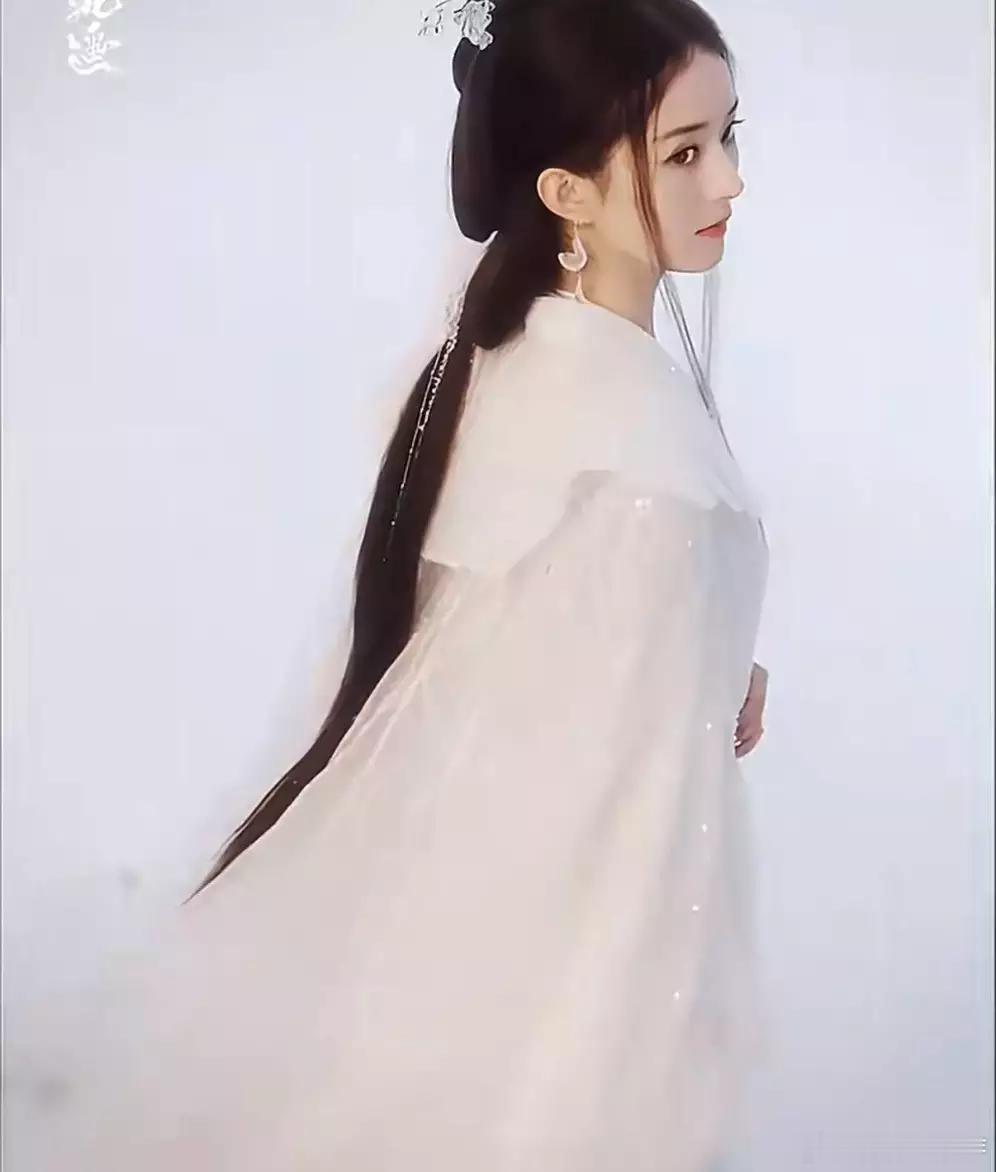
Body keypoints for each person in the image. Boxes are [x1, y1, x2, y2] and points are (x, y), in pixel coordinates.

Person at [36, 0, 772, 1168]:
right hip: (584, 943)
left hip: (479, 907)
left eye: (730, 134)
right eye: (684, 152)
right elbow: (603, 836)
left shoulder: (512, 360)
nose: (729, 179)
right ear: (567, 191)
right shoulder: (638, 469)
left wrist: (711, 639)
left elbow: (494, 656)